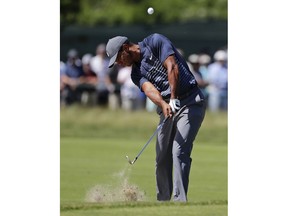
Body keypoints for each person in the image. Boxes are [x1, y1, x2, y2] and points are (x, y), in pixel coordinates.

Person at [106, 33, 206, 202]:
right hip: (167, 108)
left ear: (125, 48)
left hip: (190, 101)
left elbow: (172, 66)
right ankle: (163, 202)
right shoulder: (135, 73)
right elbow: (149, 89)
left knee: (178, 151)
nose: (119, 63)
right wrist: (163, 104)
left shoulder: (155, 42)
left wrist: (173, 97)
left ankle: (179, 201)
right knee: (161, 157)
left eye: (118, 58)